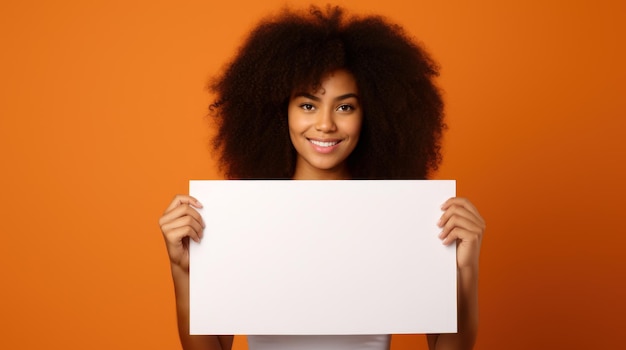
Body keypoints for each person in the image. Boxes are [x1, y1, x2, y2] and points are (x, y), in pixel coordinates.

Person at [159, 5, 485, 350]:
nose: (326, 124)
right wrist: (183, 272)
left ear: (371, 114)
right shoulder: (243, 215)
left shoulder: (403, 216)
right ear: (278, 111)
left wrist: (467, 271)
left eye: (345, 107)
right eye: (307, 105)